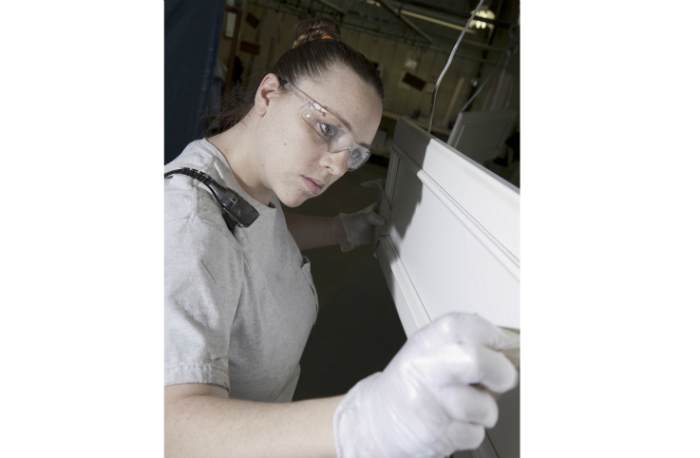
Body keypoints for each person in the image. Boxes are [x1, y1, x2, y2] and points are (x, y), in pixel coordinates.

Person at [164, 17, 519, 458]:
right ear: (268, 95)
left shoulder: (242, 182)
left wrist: (340, 228)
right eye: (327, 129)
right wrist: (363, 423)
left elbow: (250, 235)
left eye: (354, 154)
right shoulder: (185, 222)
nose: (337, 166)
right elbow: (170, 427)